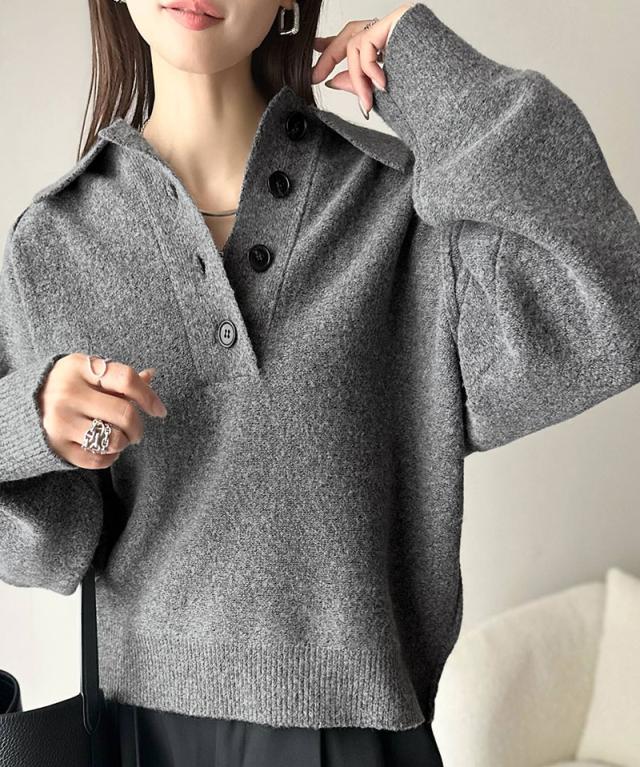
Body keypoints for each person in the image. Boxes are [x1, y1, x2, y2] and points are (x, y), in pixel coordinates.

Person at [1, 0, 638, 764]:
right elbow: (41, 551)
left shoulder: (397, 208)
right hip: (144, 735)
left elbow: (613, 301)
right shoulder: (56, 240)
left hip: (359, 734)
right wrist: (26, 422)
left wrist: (427, 68)